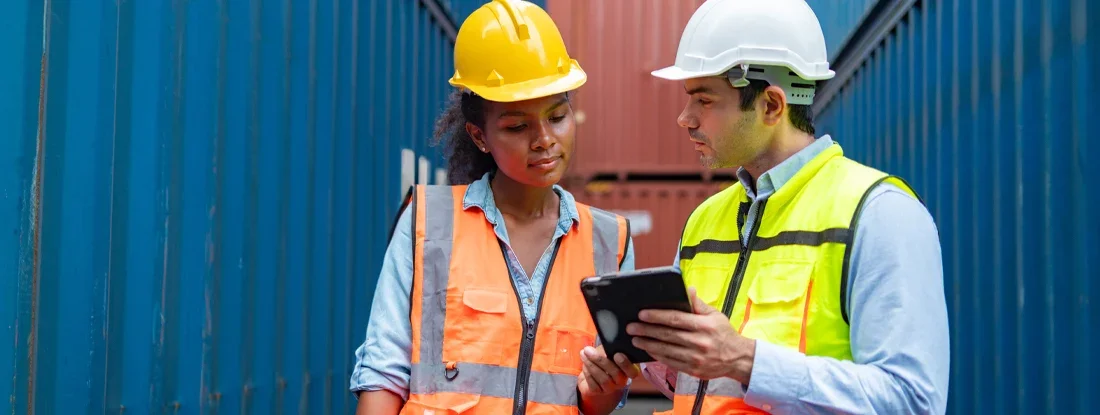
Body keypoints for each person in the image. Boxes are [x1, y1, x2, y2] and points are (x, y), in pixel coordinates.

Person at [617, 0, 951, 414]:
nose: (685, 118)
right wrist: (655, 360)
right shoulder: (704, 221)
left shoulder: (880, 214)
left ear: (772, 105)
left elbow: (912, 401)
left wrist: (744, 359)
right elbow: (713, 384)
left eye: (704, 100)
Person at [349, 1, 639, 414]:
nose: (543, 139)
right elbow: (383, 372)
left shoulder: (609, 242)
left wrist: (603, 386)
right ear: (479, 135)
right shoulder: (427, 223)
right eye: (517, 126)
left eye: (557, 116)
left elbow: (597, 403)